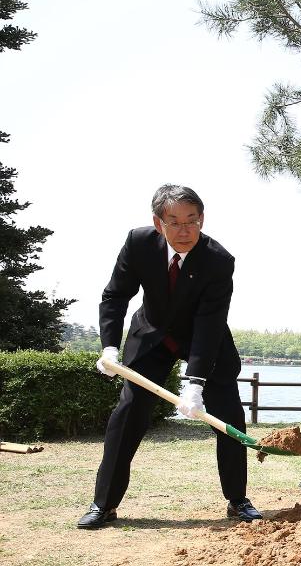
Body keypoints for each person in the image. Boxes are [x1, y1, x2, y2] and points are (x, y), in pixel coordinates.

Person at [78, 185, 260, 529]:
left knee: (229, 417)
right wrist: (109, 347)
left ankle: (238, 500)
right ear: (158, 222)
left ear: (202, 220)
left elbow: (209, 323)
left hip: (205, 340)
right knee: (128, 414)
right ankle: (104, 504)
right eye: (174, 222)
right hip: (152, 335)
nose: (184, 230)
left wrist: (195, 383)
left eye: (192, 221)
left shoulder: (219, 260)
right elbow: (115, 295)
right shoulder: (139, 243)